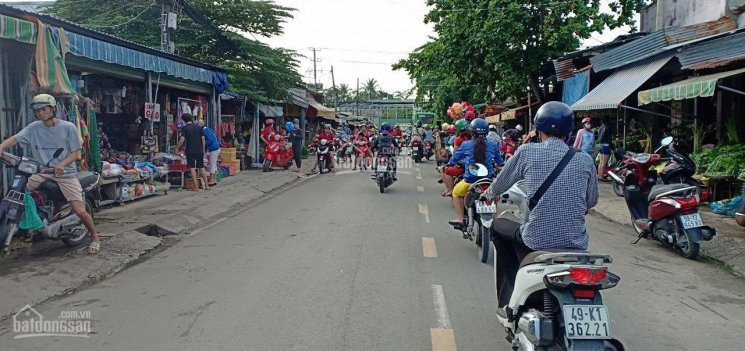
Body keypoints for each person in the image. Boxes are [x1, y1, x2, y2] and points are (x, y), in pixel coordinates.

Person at [480, 101, 598, 311]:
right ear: (569, 130)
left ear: (538, 129)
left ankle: (511, 296)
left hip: (536, 238)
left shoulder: (527, 152)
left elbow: (500, 184)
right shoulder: (585, 159)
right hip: (577, 243)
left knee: (498, 227)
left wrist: (487, 195)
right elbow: (591, 201)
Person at [0, 94, 101, 254]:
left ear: (53, 109)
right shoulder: (34, 127)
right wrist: (2, 147)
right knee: (18, 191)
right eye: (37, 110)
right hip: (41, 171)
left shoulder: (68, 127)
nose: (41, 113)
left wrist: (61, 165)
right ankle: (35, 222)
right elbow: (15, 138)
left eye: (44, 109)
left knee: (80, 210)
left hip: (65, 173)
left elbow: (77, 154)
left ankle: (94, 236)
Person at [447, 118, 503, 228]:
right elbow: (500, 162)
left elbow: (454, 159)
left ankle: (460, 218)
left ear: (472, 132)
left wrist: (450, 163)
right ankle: (494, 217)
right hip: (488, 181)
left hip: (470, 182)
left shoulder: (466, 144)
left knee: (456, 193)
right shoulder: (492, 145)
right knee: (495, 196)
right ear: (486, 132)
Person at [176, 113, 210, 191]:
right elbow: (203, 139)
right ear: (191, 119)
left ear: (184, 120)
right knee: (201, 167)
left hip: (190, 150)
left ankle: (196, 187)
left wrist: (177, 147)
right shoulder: (199, 127)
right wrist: (203, 149)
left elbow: (181, 140)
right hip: (199, 150)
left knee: (192, 168)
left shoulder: (184, 128)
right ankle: (207, 186)